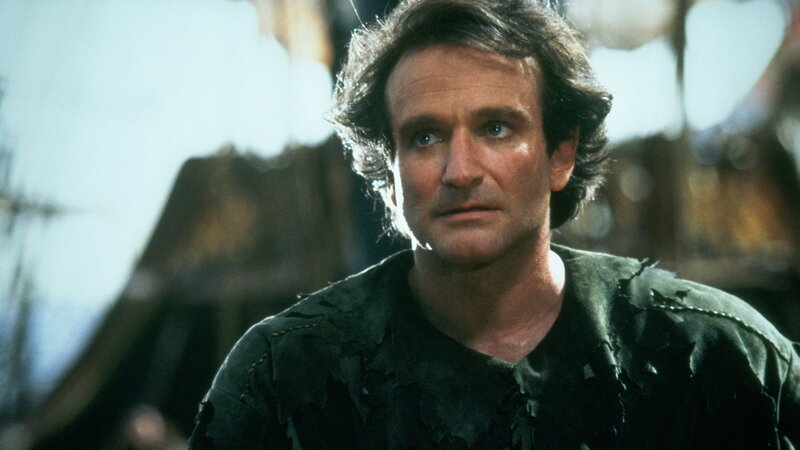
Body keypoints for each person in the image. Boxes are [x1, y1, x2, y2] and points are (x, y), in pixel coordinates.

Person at [189, 0, 800, 448]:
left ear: (561, 153)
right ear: (388, 172)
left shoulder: (718, 361)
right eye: (424, 137)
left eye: (496, 128)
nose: (460, 170)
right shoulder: (283, 379)